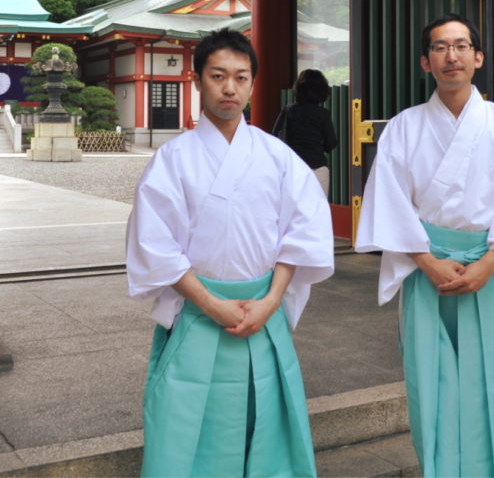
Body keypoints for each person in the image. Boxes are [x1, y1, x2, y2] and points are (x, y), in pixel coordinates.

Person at [126, 28, 335, 478]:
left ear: (253, 85)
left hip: (263, 309)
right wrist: (211, 303)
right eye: (217, 75)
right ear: (197, 79)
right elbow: (155, 244)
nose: (229, 87)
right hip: (199, 312)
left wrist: (273, 299)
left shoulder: (277, 156)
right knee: (188, 434)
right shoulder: (172, 160)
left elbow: (302, 232)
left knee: (267, 429)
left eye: (241, 77)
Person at [355, 13, 494, 477]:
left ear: (478, 58)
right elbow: (389, 199)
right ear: (426, 61)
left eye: (462, 46)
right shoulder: (403, 126)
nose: (452, 55)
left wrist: (492, 260)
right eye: (440, 47)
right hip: (429, 271)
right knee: (432, 381)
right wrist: (425, 260)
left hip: (490, 268)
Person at [273, 68, 338, 196]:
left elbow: (275, 137)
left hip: (293, 169)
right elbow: (331, 143)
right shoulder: (322, 114)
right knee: (318, 212)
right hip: (318, 167)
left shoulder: (288, 111)